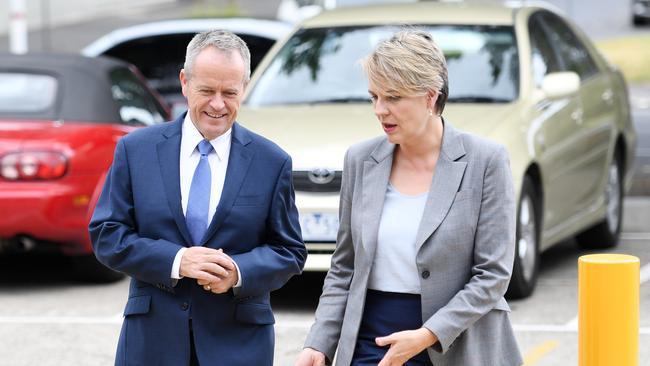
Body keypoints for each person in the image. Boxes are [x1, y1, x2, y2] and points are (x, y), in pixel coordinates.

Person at [295, 29, 522, 366]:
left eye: (393, 98)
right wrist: (318, 344)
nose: (380, 110)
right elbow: (345, 268)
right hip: (371, 343)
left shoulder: (485, 161)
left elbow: (493, 275)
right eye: (373, 97)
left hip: (458, 344)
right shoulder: (360, 160)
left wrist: (427, 334)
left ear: (430, 97)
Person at [89, 30, 306, 366]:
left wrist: (238, 272)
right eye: (207, 90)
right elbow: (107, 234)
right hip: (152, 343)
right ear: (184, 82)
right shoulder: (136, 150)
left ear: (244, 88)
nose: (218, 104)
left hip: (239, 344)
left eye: (230, 93)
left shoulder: (271, 161)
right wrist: (177, 260)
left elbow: (289, 251)